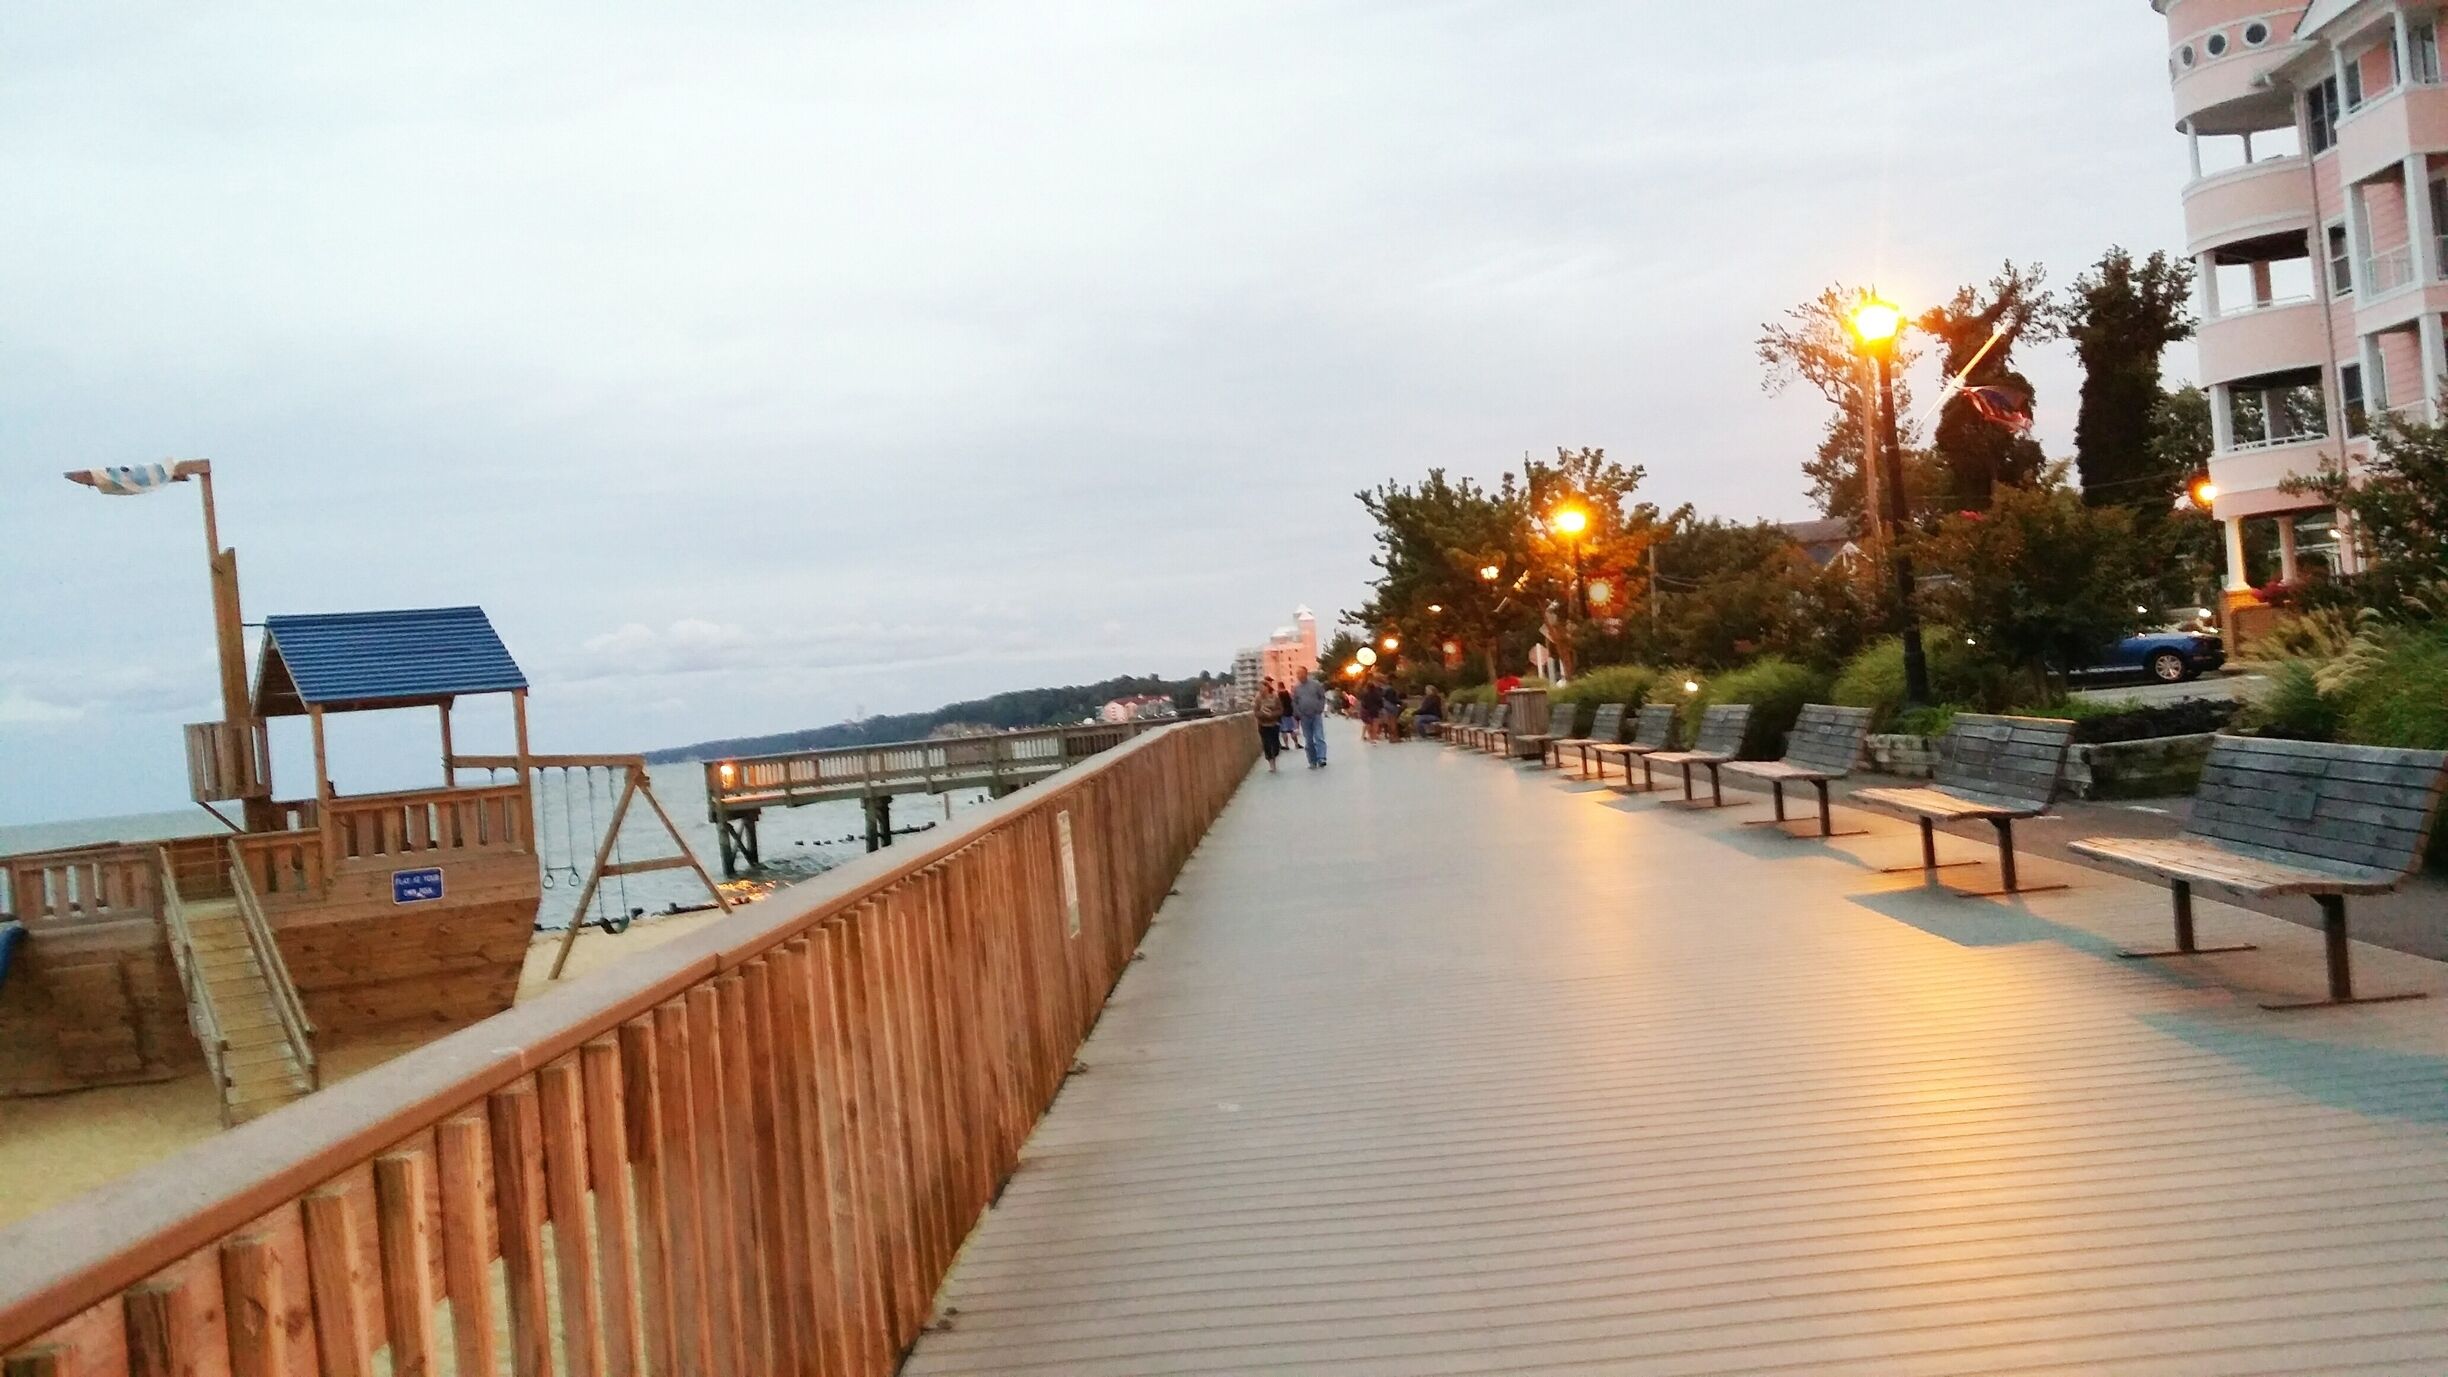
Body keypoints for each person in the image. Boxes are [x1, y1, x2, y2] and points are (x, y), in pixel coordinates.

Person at [1291, 671, 1329, 768]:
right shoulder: (1296, 688)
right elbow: (1294, 702)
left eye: (1301, 673)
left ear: (1306, 674)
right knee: (1308, 739)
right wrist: (1298, 713)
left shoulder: (1315, 685)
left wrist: (1320, 708)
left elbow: (1322, 697)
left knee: (1319, 736)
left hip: (1316, 715)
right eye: (1298, 674)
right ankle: (1312, 760)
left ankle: (1321, 758)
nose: (1299, 676)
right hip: (1304, 716)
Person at [1253, 677, 1288, 772]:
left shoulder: (1275, 697)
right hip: (1263, 725)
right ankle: (1272, 765)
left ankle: (1274, 757)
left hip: (1274, 724)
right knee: (1266, 745)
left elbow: (1280, 710)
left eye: (1262, 687)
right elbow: (1255, 712)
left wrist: (1272, 715)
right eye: (1259, 688)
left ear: (1267, 687)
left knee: (1275, 745)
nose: (1260, 690)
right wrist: (1263, 715)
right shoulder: (1257, 698)